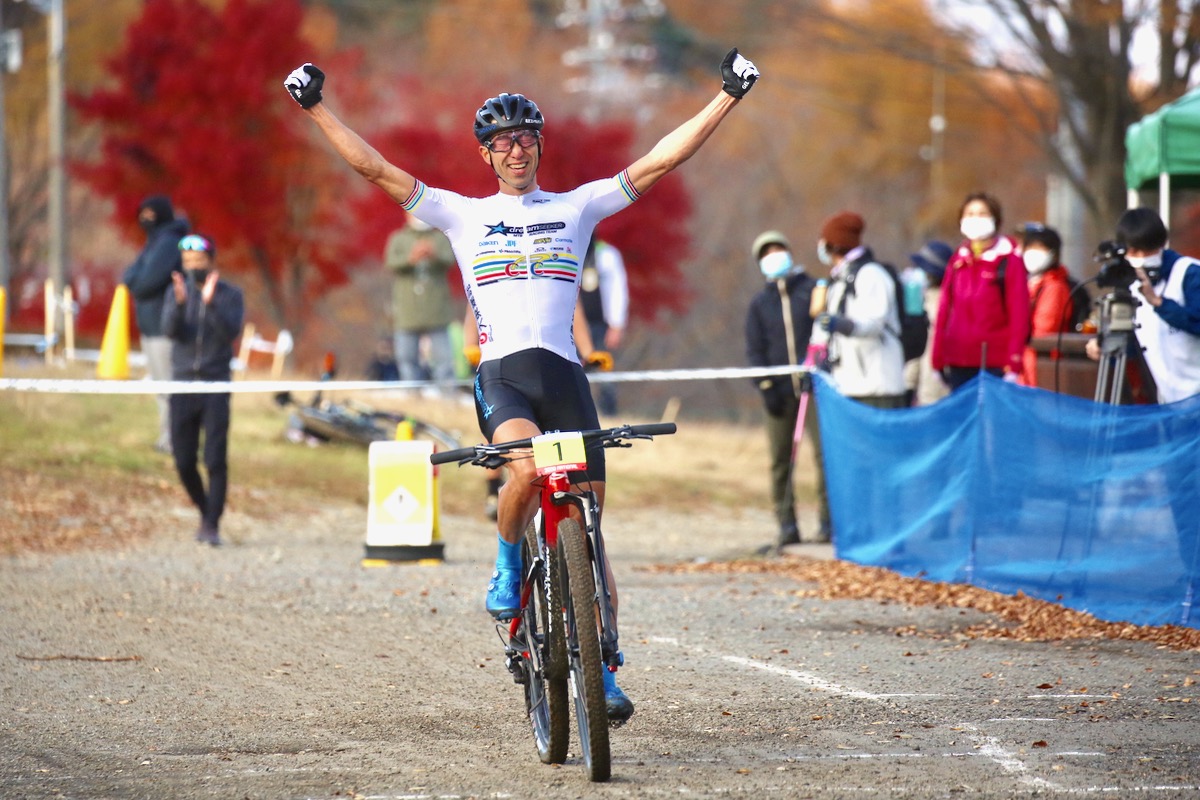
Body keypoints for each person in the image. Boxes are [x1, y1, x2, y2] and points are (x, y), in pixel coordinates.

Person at [285, 47, 759, 723]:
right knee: (526, 474)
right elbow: (376, 169)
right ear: (486, 155)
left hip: (565, 379)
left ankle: (607, 665)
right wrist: (315, 108)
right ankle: (509, 569)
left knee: (591, 533)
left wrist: (727, 97)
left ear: (540, 148)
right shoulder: (460, 215)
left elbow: (660, 161)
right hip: (504, 377)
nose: (516, 152)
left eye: (526, 140)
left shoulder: (578, 207)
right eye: (503, 143)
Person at [743, 230, 829, 550]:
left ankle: (828, 523)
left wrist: (820, 370)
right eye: (766, 253)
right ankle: (786, 524)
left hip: (815, 389)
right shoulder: (759, 304)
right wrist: (766, 387)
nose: (774, 256)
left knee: (824, 456)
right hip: (779, 393)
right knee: (781, 460)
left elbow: (824, 331)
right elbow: (755, 351)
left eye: (778, 249)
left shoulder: (811, 290)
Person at [161, 234, 245, 547]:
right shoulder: (177, 292)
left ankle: (211, 524)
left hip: (215, 384)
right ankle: (206, 510)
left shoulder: (230, 295)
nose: (192, 266)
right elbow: (170, 331)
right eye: (187, 262)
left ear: (210, 261)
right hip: (182, 383)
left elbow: (230, 333)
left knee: (214, 458)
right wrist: (181, 304)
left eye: (198, 261)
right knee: (183, 459)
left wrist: (209, 304)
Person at [1085, 208, 1200, 403]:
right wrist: (1104, 345)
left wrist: (1158, 302)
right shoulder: (1130, 283)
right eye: (1134, 251)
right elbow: (1133, 343)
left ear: (1161, 244)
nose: (1141, 256)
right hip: (1163, 396)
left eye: (1148, 249)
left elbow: (1197, 322)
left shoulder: (1188, 273)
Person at [931, 192, 1030, 391]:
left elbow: (1019, 313)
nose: (975, 219)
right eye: (970, 214)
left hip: (994, 361)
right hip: (958, 358)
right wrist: (937, 356)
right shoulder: (958, 259)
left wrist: (1014, 359)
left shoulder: (1008, 260)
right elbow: (944, 310)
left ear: (995, 219)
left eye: (982, 214)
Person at [811, 211, 907, 408]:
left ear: (834, 244)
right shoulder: (839, 279)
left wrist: (842, 325)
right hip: (850, 384)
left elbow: (874, 324)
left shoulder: (871, 275)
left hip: (879, 385)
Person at [121, 195, 191, 452]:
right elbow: (129, 275)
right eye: (143, 213)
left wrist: (136, 284)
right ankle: (167, 437)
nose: (145, 219)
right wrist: (135, 282)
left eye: (150, 214)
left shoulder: (169, 243)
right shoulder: (153, 243)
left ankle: (176, 440)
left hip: (166, 325)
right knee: (161, 387)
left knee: (170, 386)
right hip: (150, 325)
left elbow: (146, 281)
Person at [385, 216, 457, 386]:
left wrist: (434, 255)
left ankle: (447, 393)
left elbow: (451, 260)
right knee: (407, 357)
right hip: (407, 309)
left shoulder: (439, 238)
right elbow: (391, 263)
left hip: (437, 309)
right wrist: (411, 258)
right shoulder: (399, 238)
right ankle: (411, 393)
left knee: (443, 358)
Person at [1018, 223, 1076, 388]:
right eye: (1030, 248)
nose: (1033, 255)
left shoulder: (1055, 287)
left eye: (1040, 249)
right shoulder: (1028, 282)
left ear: (1054, 254)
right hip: (1025, 368)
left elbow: (1044, 330)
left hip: (1043, 367)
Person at [579, 239, 629, 415]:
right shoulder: (564, 249)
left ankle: (609, 413)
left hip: (600, 326)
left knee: (605, 373)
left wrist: (616, 324)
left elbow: (618, 290)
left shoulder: (607, 254)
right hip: (570, 328)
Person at [902, 240, 953, 406]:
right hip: (928, 386)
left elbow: (923, 347)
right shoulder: (926, 299)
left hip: (936, 388)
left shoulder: (939, 305)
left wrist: (909, 383)